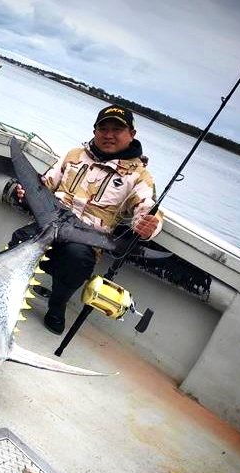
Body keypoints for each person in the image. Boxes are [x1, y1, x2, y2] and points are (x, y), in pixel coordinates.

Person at [10, 104, 163, 335]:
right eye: (103, 129)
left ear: (131, 134)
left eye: (117, 130)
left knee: (76, 258)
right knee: (20, 238)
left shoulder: (139, 176)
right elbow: (46, 184)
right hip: (49, 225)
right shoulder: (74, 155)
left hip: (86, 240)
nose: (108, 135)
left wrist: (149, 225)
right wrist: (24, 192)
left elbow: (148, 209)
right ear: (94, 131)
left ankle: (57, 306)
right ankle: (11, 289)